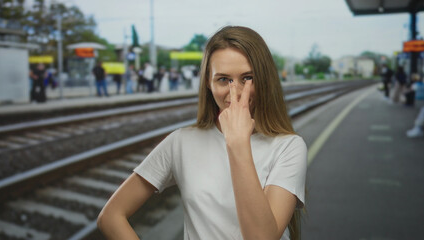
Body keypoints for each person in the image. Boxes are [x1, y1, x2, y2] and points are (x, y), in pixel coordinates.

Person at [97, 26, 307, 240]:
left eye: (248, 78)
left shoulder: (289, 147)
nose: (236, 92)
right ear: (208, 82)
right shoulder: (181, 142)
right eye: (223, 79)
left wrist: (238, 143)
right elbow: (111, 216)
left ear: (264, 79)